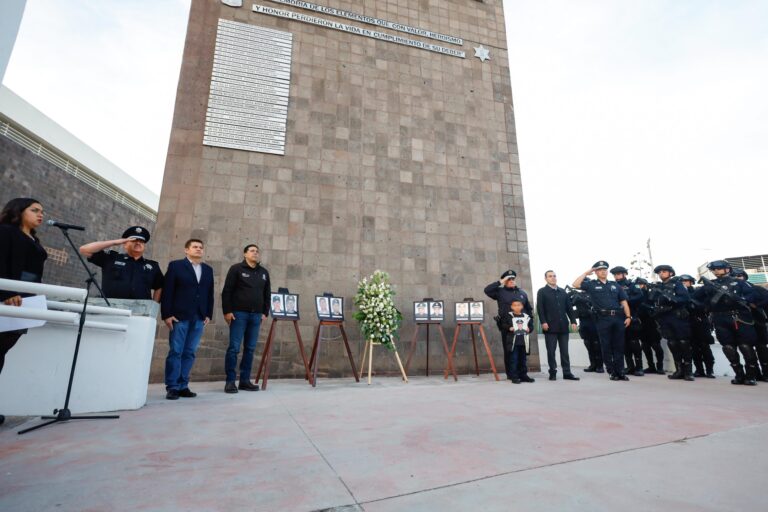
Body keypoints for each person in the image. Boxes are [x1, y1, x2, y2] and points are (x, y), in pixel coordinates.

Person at [0, 198, 48, 425]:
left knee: (1, 354)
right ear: (19, 211)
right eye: (34, 210)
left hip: (26, 301)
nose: (40, 214)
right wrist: (6, 292)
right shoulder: (6, 232)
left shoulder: (34, 239)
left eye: (42, 211)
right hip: (9, 299)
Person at [694, 260, 763, 385]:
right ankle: (739, 374)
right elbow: (693, 298)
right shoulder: (709, 285)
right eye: (713, 269)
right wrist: (707, 305)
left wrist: (742, 299)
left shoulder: (739, 282)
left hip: (740, 317)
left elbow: (753, 295)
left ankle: (751, 376)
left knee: (746, 346)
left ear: (727, 269)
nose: (716, 271)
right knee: (728, 347)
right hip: (720, 318)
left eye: (719, 268)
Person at [161, 239, 214, 400]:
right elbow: (168, 291)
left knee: (190, 352)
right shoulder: (176, 266)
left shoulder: (207, 269)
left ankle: (183, 385)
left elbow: (209, 293)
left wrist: (208, 314)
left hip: (198, 317)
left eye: (200, 247)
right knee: (176, 351)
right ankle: (172, 386)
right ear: (186, 250)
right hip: (179, 316)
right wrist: (166, 314)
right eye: (194, 247)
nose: (198, 249)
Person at [221, 244, 270, 394]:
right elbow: (227, 291)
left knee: (250, 349)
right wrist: (227, 311)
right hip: (239, 314)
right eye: (252, 251)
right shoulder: (236, 269)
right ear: (245, 254)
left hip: (256, 316)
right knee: (234, 348)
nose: (255, 253)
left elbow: (267, 293)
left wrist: (265, 313)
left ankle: (244, 381)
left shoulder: (263, 272)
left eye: (257, 251)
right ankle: (230, 382)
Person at [573, 261, 631, 381]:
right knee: (606, 346)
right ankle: (611, 372)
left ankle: (620, 371)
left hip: (618, 318)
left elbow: (624, 301)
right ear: (596, 272)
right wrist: (586, 273)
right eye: (599, 270)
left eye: (605, 269)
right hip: (602, 319)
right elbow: (575, 284)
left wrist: (628, 316)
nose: (603, 271)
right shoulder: (592, 285)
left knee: (619, 346)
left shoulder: (615, 285)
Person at [79, 226, 164, 301]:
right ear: (125, 244)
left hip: (140, 314)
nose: (138, 243)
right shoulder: (111, 258)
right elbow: (84, 249)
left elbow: (159, 286)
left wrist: (153, 307)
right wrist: (116, 242)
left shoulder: (152, 266)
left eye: (141, 241)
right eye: (134, 240)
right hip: (110, 309)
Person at [485, 269, 533, 380]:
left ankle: (523, 374)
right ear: (505, 281)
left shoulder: (522, 293)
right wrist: (500, 282)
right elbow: (487, 290)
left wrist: (530, 326)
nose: (511, 281)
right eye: (508, 279)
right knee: (510, 351)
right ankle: (512, 375)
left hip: (522, 327)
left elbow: (529, 310)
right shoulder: (500, 291)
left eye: (513, 279)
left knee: (522, 351)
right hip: (508, 327)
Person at [649, 265, 694, 381]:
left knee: (683, 342)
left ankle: (688, 371)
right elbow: (652, 299)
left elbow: (685, 299)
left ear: (671, 273)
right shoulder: (659, 286)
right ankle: (679, 370)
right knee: (672, 343)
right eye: (659, 272)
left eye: (664, 271)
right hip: (664, 317)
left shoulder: (677, 284)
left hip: (677, 316)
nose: (661, 274)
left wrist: (670, 299)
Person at [536, 270, 579, 381]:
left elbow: (569, 308)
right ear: (545, 278)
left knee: (565, 351)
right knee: (551, 351)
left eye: (554, 276)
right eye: (550, 276)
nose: (553, 278)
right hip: (549, 327)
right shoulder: (542, 292)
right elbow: (540, 309)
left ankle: (567, 373)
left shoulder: (562, 292)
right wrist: (543, 322)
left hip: (563, 326)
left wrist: (573, 321)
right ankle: (553, 372)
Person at [731, 267, 768, 381]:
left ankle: (766, 374)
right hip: (743, 322)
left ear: (745, 276)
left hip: (758, 320)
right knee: (747, 348)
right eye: (734, 277)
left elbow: (766, 300)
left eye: (739, 276)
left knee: (762, 347)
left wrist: (755, 305)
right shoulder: (731, 292)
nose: (737, 279)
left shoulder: (756, 288)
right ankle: (754, 373)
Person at [610, 266, 645, 376]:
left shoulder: (632, 285)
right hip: (618, 317)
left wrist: (625, 300)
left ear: (624, 274)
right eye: (615, 274)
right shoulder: (612, 286)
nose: (616, 276)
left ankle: (639, 367)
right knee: (623, 343)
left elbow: (640, 296)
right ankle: (630, 367)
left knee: (634, 342)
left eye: (618, 274)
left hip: (632, 316)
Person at [679, 274, 716, 378]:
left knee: (705, 347)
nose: (684, 283)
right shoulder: (679, 294)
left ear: (691, 282)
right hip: (687, 323)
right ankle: (699, 370)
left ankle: (710, 370)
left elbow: (707, 304)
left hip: (700, 322)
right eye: (682, 282)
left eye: (686, 281)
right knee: (693, 348)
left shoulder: (698, 292)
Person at [566, 282, 604, 373]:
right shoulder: (578, 295)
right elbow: (569, 306)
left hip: (594, 322)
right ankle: (593, 365)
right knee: (588, 343)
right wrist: (570, 296)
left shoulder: (595, 294)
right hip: (583, 321)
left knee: (596, 344)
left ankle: (600, 366)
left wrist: (585, 300)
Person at [499, 298, 534, 384]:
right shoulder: (508, 316)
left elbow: (531, 326)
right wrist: (509, 328)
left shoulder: (526, 317)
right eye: (515, 305)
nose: (517, 307)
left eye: (519, 305)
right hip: (513, 341)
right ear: (512, 307)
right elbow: (503, 325)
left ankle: (523, 375)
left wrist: (530, 329)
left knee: (523, 359)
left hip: (523, 341)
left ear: (522, 306)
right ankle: (514, 376)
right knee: (513, 359)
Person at [635, 278, 665, 374]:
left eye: (641, 284)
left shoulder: (651, 293)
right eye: (637, 285)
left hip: (652, 321)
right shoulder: (636, 295)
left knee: (656, 345)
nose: (639, 286)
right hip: (641, 321)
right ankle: (651, 366)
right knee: (645, 345)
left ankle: (660, 366)